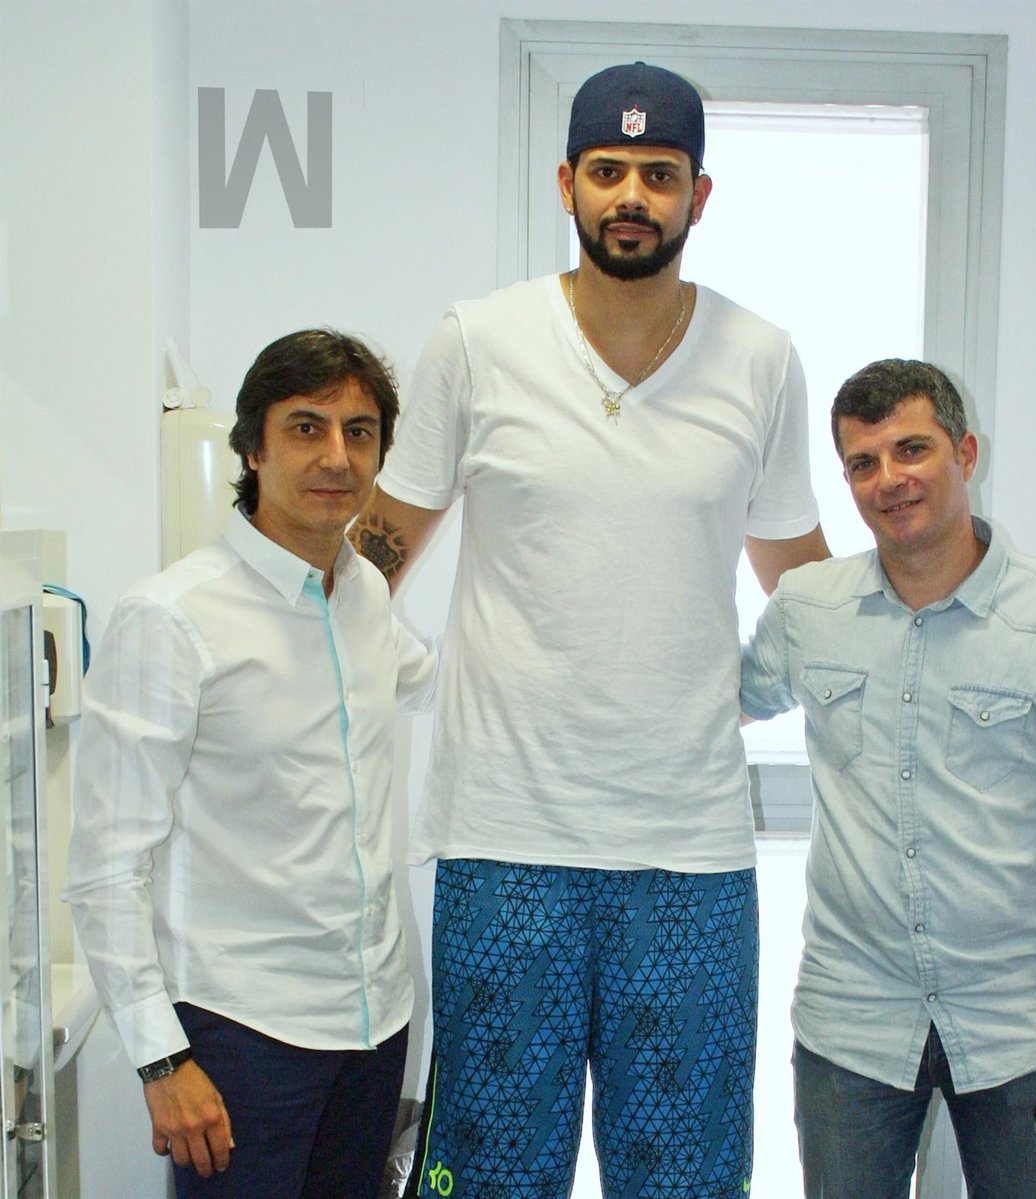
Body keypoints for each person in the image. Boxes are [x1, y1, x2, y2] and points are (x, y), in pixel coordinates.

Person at [350, 62, 829, 1199]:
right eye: (608, 170)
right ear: (566, 182)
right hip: (506, 836)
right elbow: (374, 559)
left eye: (659, 174)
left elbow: (806, 591)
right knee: (491, 1173)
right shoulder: (478, 341)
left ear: (697, 196)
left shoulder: (759, 358)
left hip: (690, 851)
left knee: (685, 1177)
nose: (632, 196)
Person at [741, 358, 1036, 1199]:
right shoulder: (809, 610)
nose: (889, 480)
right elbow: (708, 707)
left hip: (1018, 1029)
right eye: (863, 462)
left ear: (965, 452)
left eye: (911, 449)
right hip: (852, 1024)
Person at [66, 329, 438, 1199]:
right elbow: (105, 866)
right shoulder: (171, 618)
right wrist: (162, 1058)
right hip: (242, 1037)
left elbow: (443, 684)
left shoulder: (365, 594)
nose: (336, 455)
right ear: (252, 448)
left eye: (359, 431)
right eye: (307, 427)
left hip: (375, 1027)